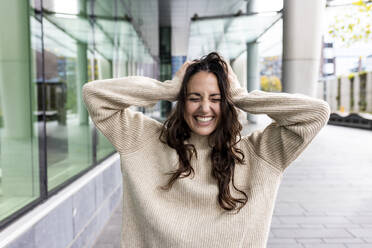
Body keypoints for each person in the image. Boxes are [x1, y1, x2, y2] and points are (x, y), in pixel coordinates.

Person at [82, 52, 330, 248]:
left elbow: (315, 113)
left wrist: (241, 96)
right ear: (182, 102)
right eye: (193, 97)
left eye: (216, 98)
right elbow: (95, 95)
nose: (204, 108)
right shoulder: (144, 141)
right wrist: (168, 89)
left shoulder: (260, 154)